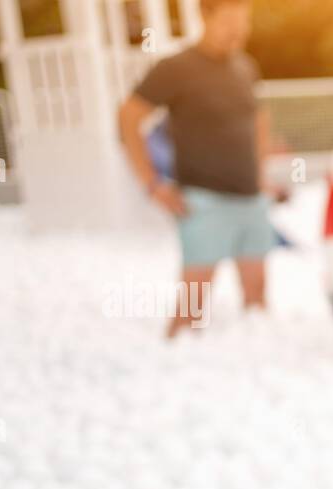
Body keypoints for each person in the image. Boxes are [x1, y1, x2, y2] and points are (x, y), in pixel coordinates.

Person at [118, 0, 280, 339]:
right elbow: (129, 116)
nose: (238, 28)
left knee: (257, 298)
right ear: (205, 17)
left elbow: (259, 119)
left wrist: (262, 172)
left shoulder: (245, 67)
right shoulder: (176, 68)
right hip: (203, 199)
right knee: (192, 308)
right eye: (230, 19)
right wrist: (151, 183)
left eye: (244, 19)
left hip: (250, 197)